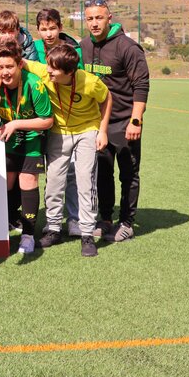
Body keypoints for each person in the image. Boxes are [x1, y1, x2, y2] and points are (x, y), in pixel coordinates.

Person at [14, 43, 111, 258]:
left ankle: (87, 234)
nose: (48, 71)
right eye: (48, 66)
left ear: (69, 72)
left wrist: (102, 131)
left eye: (54, 69)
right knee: (54, 181)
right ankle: (53, 229)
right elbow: (15, 61)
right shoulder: (45, 71)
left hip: (87, 130)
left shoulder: (90, 82)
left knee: (85, 180)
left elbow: (106, 99)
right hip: (58, 131)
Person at [80, 0, 150, 243]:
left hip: (124, 121)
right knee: (102, 172)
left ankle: (127, 223)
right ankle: (106, 219)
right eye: (90, 18)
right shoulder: (85, 46)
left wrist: (136, 121)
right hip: (98, 122)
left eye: (99, 18)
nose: (95, 23)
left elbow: (141, 85)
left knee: (128, 174)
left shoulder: (128, 48)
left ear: (110, 18)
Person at [0, 41, 53, 255]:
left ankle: (29, 235)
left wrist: (15, 124)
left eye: (9, 67)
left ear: (20, 65)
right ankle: (2, 227)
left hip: (31, 139)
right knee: (7, 181)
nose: (5, 72)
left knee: (27, 180)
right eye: (1, 68)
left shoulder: (34, 84)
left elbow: (47, 120)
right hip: (7, 140)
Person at [33, 9, 83, 237]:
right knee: (47, 175)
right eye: (43, 29)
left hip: (67, 122)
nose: (48, 33)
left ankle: (74, 219)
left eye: (52, 28)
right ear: (38, 30)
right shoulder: (32, 48)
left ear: (60, 27)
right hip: (38, 119)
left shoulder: (74, 50)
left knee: (71, 174)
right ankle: (48, 221)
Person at [0, 10, 37, 77]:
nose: (7, 36)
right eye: (3, 32)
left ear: (17, 30)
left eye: (11, 31)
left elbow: (35, 73)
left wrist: (16, 53)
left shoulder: (28, 45)